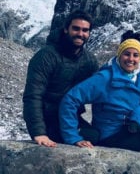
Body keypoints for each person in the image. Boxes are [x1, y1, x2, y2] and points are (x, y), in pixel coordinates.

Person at [23, 9, 99, 148]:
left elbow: (100, 91)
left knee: (94, 135)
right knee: (79, 139)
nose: (80, 34)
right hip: (48, 119)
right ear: (66, 29)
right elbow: (33, 95)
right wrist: (39, 132)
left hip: (70, 117)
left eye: (85, 30)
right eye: (76, 28)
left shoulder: (89, 60)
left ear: (89, 33)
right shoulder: (46, 56)